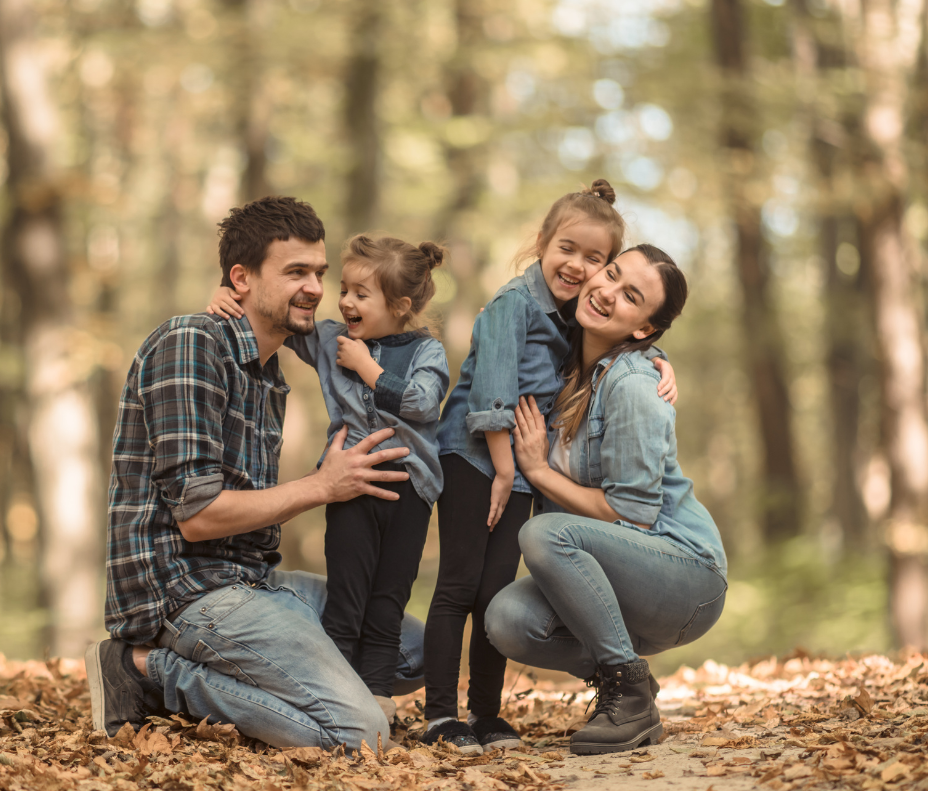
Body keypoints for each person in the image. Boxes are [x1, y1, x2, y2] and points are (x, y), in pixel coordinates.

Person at [86, 196, 427, 751]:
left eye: (319, 272)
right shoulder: (190, 344)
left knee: (415, 651)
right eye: (296, 272)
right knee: (362, 733)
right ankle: (146, 670)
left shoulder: (268, 374)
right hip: (184, 594)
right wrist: (324, 486)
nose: (316, 287)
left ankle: (265, 684)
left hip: (256, 583)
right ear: (240, 279)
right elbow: (198, 517)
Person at [422, 179, 678, 754]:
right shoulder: (512, 305)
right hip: (474, 458)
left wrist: (659, 357)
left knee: (493, 594)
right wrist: (508, 471)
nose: (578, 266)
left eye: (597, 259)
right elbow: (490, 395)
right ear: (541, 242)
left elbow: (616, 342)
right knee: (459, 585)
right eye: (567, 248)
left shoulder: (572, 315)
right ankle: (441, 713)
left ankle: (486, 715)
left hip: (516, 464)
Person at [486, 244, 727, 756]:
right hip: (621, 580)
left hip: (686, 575)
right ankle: (631, 679)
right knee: (507, 619)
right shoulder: (566, 359)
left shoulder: (636, 385)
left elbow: (631, 513)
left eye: (630, 295)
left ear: (643, 328)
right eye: (611, 274)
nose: (606, 291)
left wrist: (535, 471)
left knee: (544, 533)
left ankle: (628, 694)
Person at [205, 234, 450, 724]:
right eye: (346, 289)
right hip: (351, 487)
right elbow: (278, 322)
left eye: (362, 293)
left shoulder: (427, 351)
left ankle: (376, 696)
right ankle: (336, 697)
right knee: (347, 598)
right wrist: (227, 297)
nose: (345, 301)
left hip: (410, 492)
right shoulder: (330, 335)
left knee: (387, 602)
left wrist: (370, 369)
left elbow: (424, 403)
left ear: (400, 306)